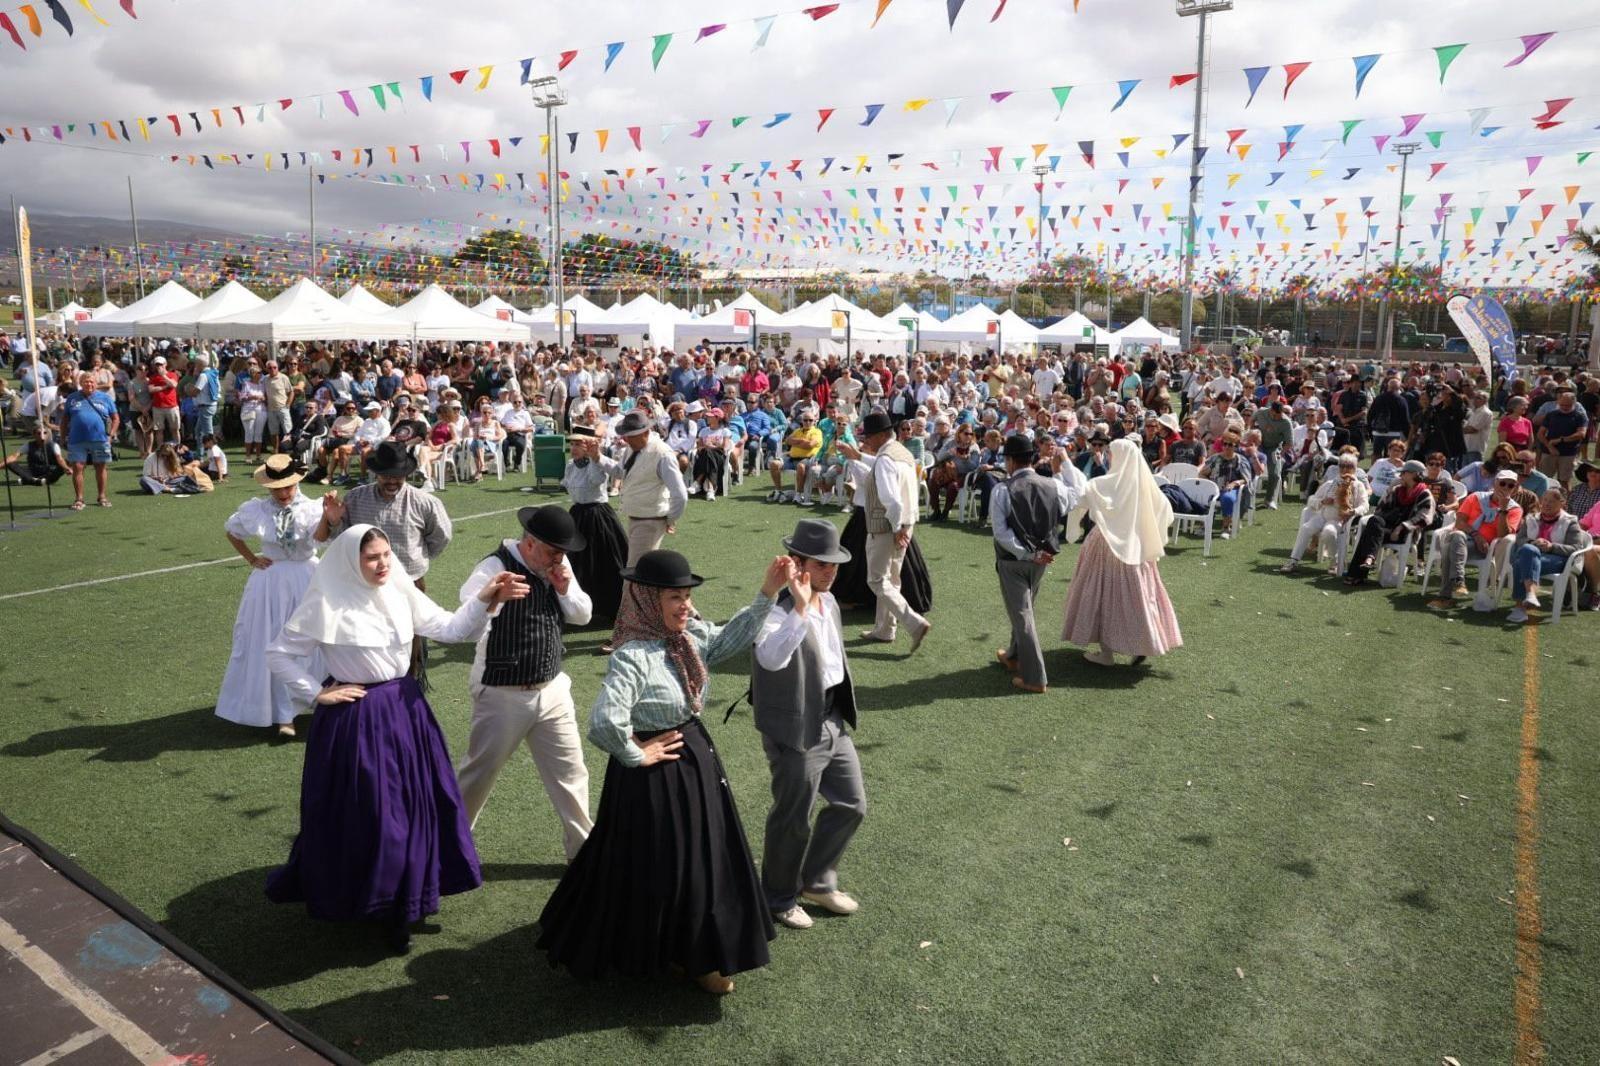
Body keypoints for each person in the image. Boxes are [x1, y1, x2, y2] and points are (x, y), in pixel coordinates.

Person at [536, 550, 793, 995]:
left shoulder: (687, 636)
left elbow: (728, 641)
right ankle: (685, 957)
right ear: (646, 599)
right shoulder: (633, 654)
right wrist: (639, 753)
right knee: (672, 865)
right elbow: (604, 722)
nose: (685, 606)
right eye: (674, 597)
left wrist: (768, 592)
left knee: (699, 858)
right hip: (656, 776)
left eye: (687, 596)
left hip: (693, 757)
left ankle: (693, 954)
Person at [265, 525, 528, 952]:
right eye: (373, 558)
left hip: (406, 711)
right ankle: (381, 906)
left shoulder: (400, 589)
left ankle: (409, 900)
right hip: (357, 719)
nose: (383, 563)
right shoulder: (325, 600)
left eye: (387, 554)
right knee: (376, 816)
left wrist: (485, 599)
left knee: (419, 808)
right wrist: (316, 692)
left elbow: (450, 628)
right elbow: (278, 653)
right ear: (353, 561)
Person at [456, 507, 595, 861]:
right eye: (552, 552)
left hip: (552, 689)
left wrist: (565, 590)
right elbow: (465, 612)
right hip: (502, 694)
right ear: (529, 543)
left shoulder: (558, 566)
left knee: (573, 776)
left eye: (562, 553)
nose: (557, 560)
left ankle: (584, 857)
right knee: (477, 778)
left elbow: (583, 615)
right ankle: (449, 852)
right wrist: (492, 599)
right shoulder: (493, 567)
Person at [751, 519, 867, 931]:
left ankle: (817, 881)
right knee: (792, 818)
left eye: (834, 564)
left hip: (833, 719)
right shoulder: (775, 610)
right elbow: (770, 659)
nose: (831, 572)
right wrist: (799, 608)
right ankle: (777, 897)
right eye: (822, 565)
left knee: (852, 804)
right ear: (795, 564)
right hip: (795, 728)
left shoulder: (831, 603)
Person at [217, 455, 326, 737]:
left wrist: (330, 517)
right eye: (277, 488)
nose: (284, 493)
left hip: (307, 576)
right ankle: (282, 713)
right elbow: (232, 531)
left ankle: (316, 700)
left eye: (288, 487)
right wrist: (252, 558)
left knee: (312, 638)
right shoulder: (257, 510)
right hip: (271, 582)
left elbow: (323, 537)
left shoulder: (312, 508)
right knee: (272, 640)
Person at [1062, 437, 1182, 666]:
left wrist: (1066, 466)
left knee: (1102, 595)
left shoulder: (1103, 485)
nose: (1108, 457)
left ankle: (1106, 652)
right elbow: (1165, 511)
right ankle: (1142, 643)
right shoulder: (1144, 486)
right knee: (1138, 597)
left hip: (1105, 546)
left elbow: (1080, 499)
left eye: (1111, 454)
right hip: (1136, 547)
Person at [991, 434, 1085, 693]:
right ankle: (1013, 655)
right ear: (1032, 457)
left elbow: (1001, 533)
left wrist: (1026, 554)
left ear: (1010, 461)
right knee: (1023, 609)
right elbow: (1078, 492)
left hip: (1015, 561)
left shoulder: (1002, 489)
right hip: (1042, 559)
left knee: (1022, 615)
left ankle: (1035, 678)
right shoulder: (1053, 486)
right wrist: (1064, 464)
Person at [857, 411, 932, 653]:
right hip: (906, 523)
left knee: (877, 579)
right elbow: (883, 469)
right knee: (892, 579)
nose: (866, 440)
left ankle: (913, 622)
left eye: (868, 436)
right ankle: (885, 629)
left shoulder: (886, 458)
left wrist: (897, 526)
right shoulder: (903, 454)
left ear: (880, 435)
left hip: (888, 526)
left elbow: (892, 499)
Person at [1424, 468, 1522, 608]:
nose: (1506, 487)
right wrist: (1476, 535)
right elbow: (1459, 522)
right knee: (1456, 537)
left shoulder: (1514, 509)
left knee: (1450, 543)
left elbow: (1502, 536)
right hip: (1465, 539)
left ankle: (1446, 596)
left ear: (1514, 489)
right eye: (1503, 483)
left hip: (1486, 548)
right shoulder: (1476, 497)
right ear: (1495, 483)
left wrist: (1503, 510)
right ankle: (1458, 582)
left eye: (1510, 485)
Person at [561, 425, 627, 624]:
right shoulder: (571, 465)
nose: (573, 448)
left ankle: (611, 608)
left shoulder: (597, 463)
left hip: (598, 516)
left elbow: (596, 480)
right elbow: (568, 486)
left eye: (578, 444)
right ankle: (575, 610)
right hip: (578, 514)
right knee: (574, 563)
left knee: (607, 561)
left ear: (588, 445)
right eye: (572, 444)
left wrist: (592, 458)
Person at [1343, 460, 1437, 586]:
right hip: (1386, 530)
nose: (1400, 476)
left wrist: (1401, 526)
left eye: (1403, 473)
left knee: (1368, 534)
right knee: (1374, 521)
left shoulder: (1424, 494)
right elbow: (1380, 509)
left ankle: (1357, 573)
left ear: (1414, 474)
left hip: (1406, 534)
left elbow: (1425, 517)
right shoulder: (1397, 490)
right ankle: (1369, 558)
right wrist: (1384, 523)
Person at [614, 409, 688, 566]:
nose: (626, 440)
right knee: (640, 572)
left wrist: (670, 519)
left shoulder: (663, 454)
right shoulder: (632, 448)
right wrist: (597, 457)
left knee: (636, 573)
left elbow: (680, 495)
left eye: (630, 436)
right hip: (637, 518)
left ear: (645, 433)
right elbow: (620, 472)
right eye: (626, 435)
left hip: (650, 521)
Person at [1506, 488, 1586, 624]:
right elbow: (1520, 539)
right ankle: (1530, 594)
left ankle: (1520, 607)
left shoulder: (1570, 522)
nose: (1547, 504)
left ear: (1562, 503)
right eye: (1545, 500)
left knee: (1522, 562)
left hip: (1558, 560)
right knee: (1527, 550)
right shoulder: (1531, 518)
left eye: (1552, 501)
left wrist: (1551, 547)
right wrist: (1533, 543)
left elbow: (1575, 548)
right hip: (1530, 556)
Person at [1280, 454, 1366, 573]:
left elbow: (1364, 505)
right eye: (1342, 466)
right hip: (1323, 515)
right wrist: (1322, 501)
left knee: (1329, 532)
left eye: (1349, 466)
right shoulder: (1330, 483)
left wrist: (1353, 511)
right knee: (1306, 528)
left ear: (1355, 468)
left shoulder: (1358, 485)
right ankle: (1293, 561)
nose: (1345, 469)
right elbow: (1311, 499)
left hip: (1339, 519)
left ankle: (1335, 563)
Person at [59, 371, 119, 511]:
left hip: (100, 439)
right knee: (78, 468)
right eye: (86, 381)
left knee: (100, 467)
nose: (89, 384)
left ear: (96, 383)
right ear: (80, 383)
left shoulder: (105, 398)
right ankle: (79, 499)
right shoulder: (72, 398)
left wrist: (111, 435)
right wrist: (62, 437)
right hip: (76, 439)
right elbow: (64, 420)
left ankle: (102, 497)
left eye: (91, 381)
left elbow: (115, 418)